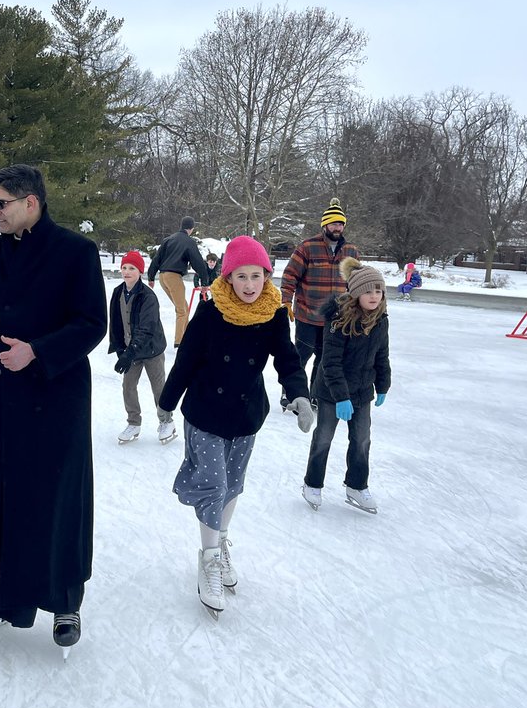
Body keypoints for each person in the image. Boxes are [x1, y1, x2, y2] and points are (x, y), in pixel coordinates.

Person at [0, 164, 106, 654]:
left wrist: (37, 351)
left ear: (31, 203)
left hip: (56, 396)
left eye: (1, 203)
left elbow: (91, 323)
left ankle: (64, 600)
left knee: (56, 496)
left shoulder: (76, 252)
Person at [158, 236, 314, 619]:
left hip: (245, 415)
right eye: (241, 276)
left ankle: (221, 542)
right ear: (228, 277)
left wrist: (299, 394)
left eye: (256, 276)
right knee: (214, 484)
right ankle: (209, 558)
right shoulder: (211, 311)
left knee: (233, 485)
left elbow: (287, 359)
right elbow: (186, 359)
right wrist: (167, 401)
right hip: (206, 412)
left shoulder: (273, 313)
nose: (249, 284)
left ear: (266, 276)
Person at [301, 257, 391, 514]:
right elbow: (330, 363)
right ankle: (312, 483)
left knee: (362, 440)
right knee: (324, 438)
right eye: (368, 291)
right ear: (356, 293)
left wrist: (383, 385)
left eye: (378, 291)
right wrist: (341, 397)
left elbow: (382, 355)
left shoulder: (380, 320)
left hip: (362, 392)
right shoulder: (339, 320)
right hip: (332, 392)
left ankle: (356, 486)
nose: (374, 296)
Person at [281, 198, 360, 388]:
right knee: (300, 356)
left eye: (340, 224)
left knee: (325, 359)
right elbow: (290, 276)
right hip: (307, 314)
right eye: (333, 223)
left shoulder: (351, 251)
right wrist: (286, 301)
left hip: (335, 317)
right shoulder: (307, 247)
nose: (337, 228)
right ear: (324, 225)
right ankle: (291, 391)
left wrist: (358, 306)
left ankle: (316, 394)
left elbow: (356, 282)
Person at [109, 250, 175, 445]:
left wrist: (129, 353)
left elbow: (146, 329)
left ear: (140, 271)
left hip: (151, 350)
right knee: (128, 386)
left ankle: (166, 422)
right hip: (131, 350)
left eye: (132, 268)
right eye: (124, 267)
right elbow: (116, 322)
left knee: (158, 388)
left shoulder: (148, 296)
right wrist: (120, 349)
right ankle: (134, 423)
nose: (127, 272)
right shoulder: (118, 292)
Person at [147, 216, 210, 346]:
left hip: (162, 277)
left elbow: (157, 258)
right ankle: (179, 341)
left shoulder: (168, 239)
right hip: (174, 277)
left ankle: (185, 336)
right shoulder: (189, 241)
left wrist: (151, 276)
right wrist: (204, 281)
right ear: (191, 228)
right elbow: (198, 262)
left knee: (184, 308)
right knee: (182, 310)